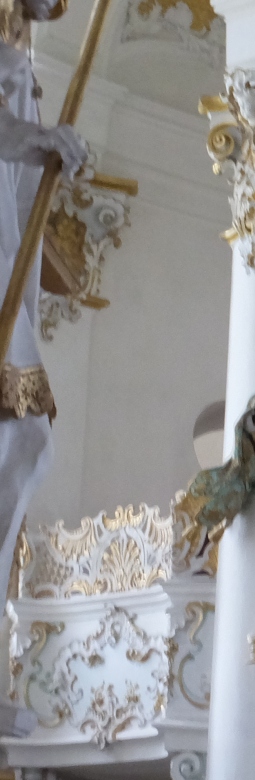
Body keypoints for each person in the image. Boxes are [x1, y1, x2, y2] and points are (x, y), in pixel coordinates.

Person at [0, 0, 88, 596]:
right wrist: (35, 138)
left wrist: (47, 148)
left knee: (27, 437)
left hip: (5, 253)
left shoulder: (19, 56)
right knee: (24, 434)